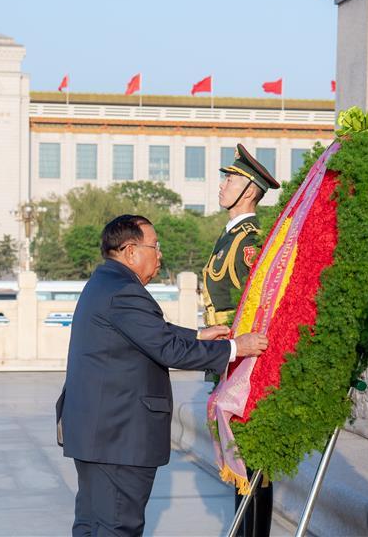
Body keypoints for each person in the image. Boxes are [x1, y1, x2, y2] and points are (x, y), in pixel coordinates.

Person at [57, 214, 268, 537]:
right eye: (155, 246)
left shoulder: (106, 283)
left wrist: (197, 336)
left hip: (97, 433)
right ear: (131, 251)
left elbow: (151, 332)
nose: (159, 254)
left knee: (93, 524)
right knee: (116, 526)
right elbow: (168, 350)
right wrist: (234, 348)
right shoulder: (124, 291)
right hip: (118, 436)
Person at [202, 144, 279, 537]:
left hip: (243, 365)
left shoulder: (249, 242)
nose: (222, 185)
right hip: (227, 359)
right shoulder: (229, 237)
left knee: (251, 464)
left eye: (230, 179)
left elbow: (260, 307)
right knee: (239, 462)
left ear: (250, 190)